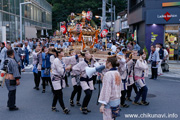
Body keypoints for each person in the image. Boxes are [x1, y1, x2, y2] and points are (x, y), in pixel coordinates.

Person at [51, 48, 78, 114]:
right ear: (59, 54)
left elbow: (69, 59)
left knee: (57, 93)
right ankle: (64, 108)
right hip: (56, 78)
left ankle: (53, 106)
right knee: (60, 93)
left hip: (60, 78)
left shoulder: (62, 59)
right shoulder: (56, 60)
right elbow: (60, 71)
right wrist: (67, 68)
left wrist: (77, 56)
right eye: (62, 52)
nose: (63, 53)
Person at [72, 49, 97, 114]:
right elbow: (74, 68)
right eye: (87, 54)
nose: (89, 55)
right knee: (88, 93)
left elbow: (97, 67)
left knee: (90, 94)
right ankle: (83, 107)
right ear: (84, 56)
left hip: (90, 80)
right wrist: (80, 73)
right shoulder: (82, 63)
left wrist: (94, 60)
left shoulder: (92, 61)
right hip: (83, 80)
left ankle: (85, 107)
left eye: (89, 53)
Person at [98, 55, 121, 120]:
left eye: (106, 62)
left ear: (109, 63)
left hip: (109, 101)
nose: (105, 63)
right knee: (113, 118)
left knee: (108, 118)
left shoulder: (108, 74)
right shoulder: (117, 72)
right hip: (117, 99)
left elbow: (106, 90)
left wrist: (103, 104)